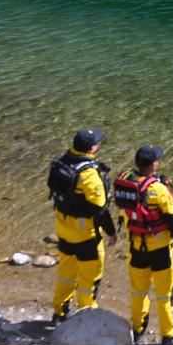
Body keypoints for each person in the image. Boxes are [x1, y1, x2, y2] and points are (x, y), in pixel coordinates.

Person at [113, 145, 173, 345]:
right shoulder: (158, 189)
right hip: (160, 250)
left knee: (138, 293)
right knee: (164, 296)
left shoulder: (126, 183)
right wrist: (167, 190)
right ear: (153, 165)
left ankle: (137, 331)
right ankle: (168, 336)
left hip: (136, 248)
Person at [48, 128, 117, 323]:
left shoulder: (61, 162)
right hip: (85, 234)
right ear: (92, 149)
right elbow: (100, 210)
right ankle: (86, 313)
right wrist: (111, 233)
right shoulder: (88, 175)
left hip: (63, 228)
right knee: (90, 276)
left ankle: (60, 311)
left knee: (66, 273)